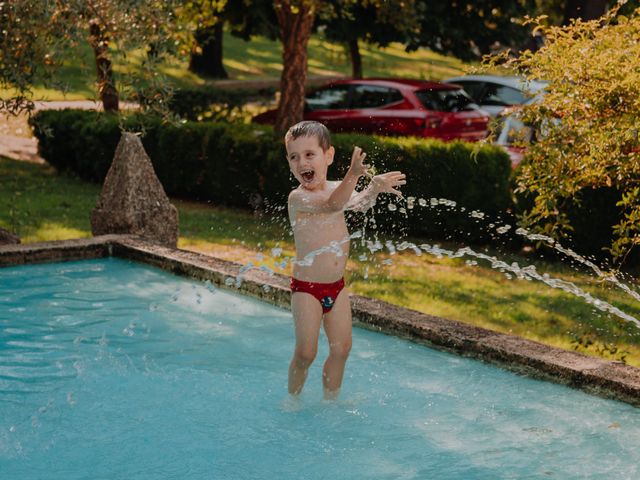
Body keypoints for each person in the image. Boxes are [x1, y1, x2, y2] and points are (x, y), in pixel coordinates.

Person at [285, 121, 406, 399]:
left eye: (309, 154)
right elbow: (333, 205)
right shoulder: (298, 197)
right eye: (294, 156)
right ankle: (292, 400)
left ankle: (330, 402)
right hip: (307, 288)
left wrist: (373, 187)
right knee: (306, 353)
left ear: (328, 156)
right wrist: (353, 174)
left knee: (342, 349)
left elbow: (357, 203)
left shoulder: (335, 187)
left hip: (336, 287)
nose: (302, 162)